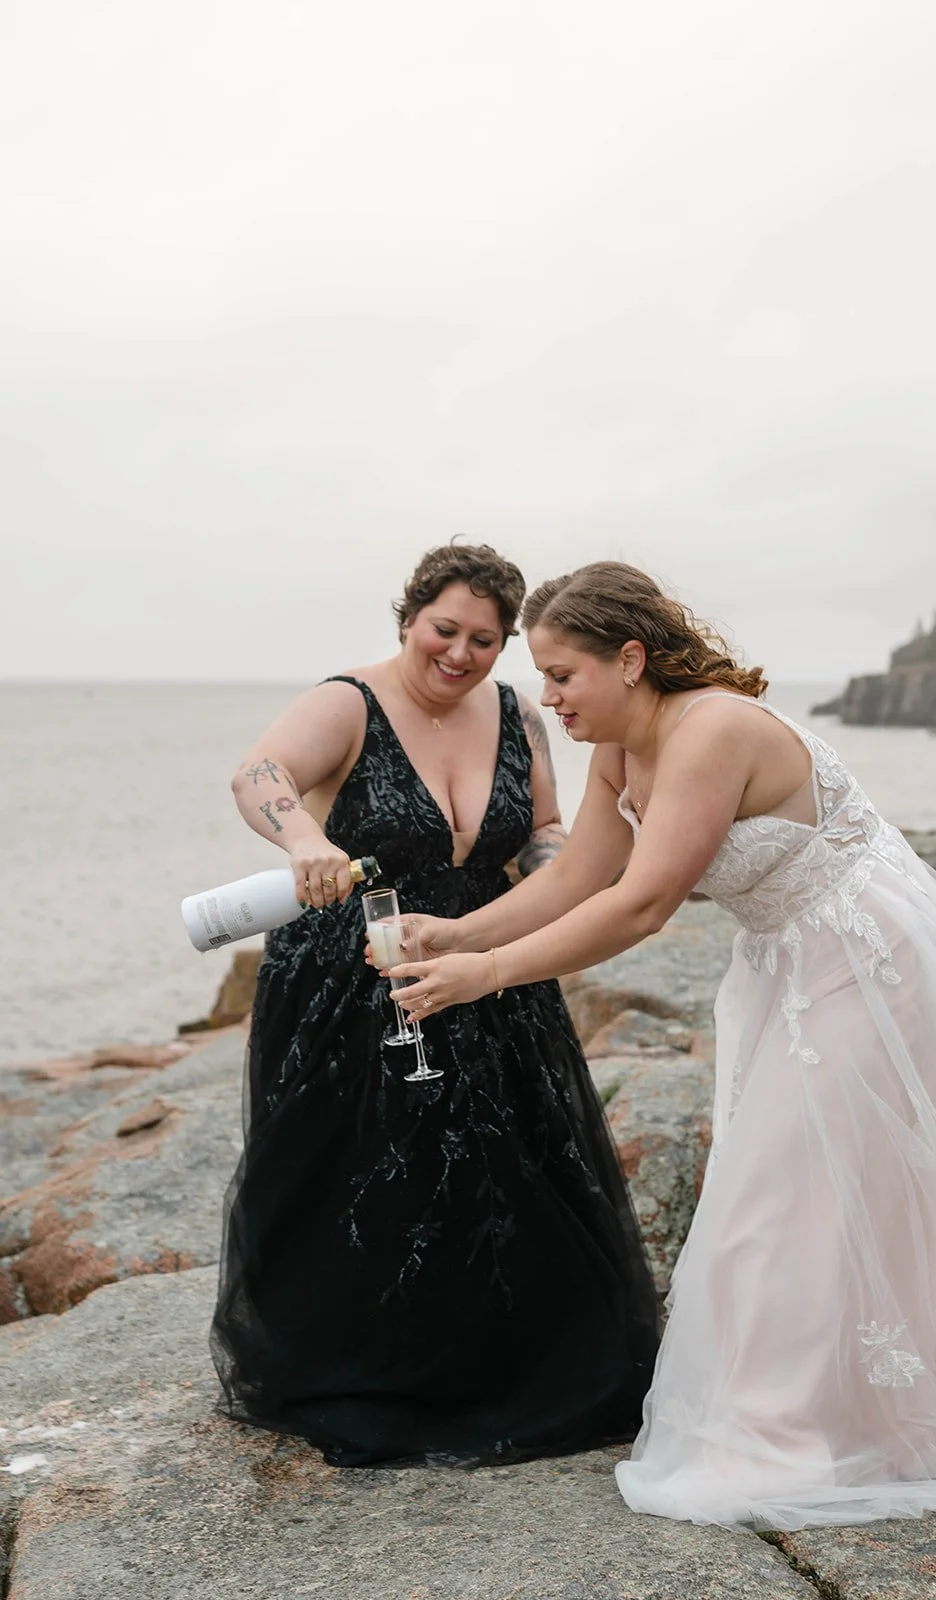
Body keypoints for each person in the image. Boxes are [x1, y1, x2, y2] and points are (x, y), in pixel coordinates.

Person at [384, 559, 936, 1529]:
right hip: (788, 957)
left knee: (782, 1193)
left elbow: (642, 902)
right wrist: (462, 932)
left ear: (628, 658)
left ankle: (774, 1444)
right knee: (816, 1185)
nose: (547, 697)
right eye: (540, 677)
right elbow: (581, 869)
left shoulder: (708, 729)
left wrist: (487, 976)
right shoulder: (622, 740)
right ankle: (861, 1415)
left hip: (864, 950)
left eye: (562, 674)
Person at [211, 544, 660, 1468]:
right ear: (409, 619)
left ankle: (506, 1364)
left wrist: (570, 876)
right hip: (356, 962)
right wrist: (302, 840)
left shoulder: (517, 714)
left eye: (485, 641)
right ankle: (375, 1369)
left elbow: (541, 833)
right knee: (368, 1165)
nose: (459, 654)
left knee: (505, 1163)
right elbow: (259, 775)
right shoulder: (350, 701)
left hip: (487, 948)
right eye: (444, 630)